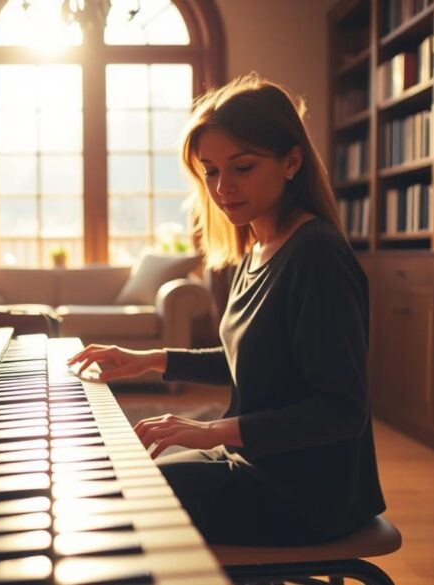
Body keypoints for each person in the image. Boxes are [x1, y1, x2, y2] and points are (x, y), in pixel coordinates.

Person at [67, 73, 386, 546]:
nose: (222, 188)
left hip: (307, 492)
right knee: (124, 474)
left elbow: (342, 412)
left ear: (291, 162)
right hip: (255, 463)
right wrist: (151, 360)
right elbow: (252, 361)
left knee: (124, 504)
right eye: (210, 170)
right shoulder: (258, 246)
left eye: (242, 167)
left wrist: (205, 430)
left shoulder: (315, 254)